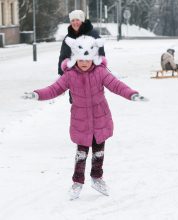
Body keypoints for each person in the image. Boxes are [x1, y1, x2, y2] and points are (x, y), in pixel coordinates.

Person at [22, 35, 147, 200]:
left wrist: (132, 94)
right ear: (75, 58)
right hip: (81, 122)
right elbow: (54, 89)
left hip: (100, 120)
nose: (84, 63)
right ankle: (77, 182)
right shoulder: (70, 75)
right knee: (81, 154)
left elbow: (117, 85)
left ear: (93, 58)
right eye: (80, 59)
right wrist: (36, 95)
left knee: (99, 153)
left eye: (87, 59)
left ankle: (97, 178)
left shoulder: (101, 72)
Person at [58, 9, 105, 76]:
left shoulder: (93, 35)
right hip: (72, 75)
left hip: (91, 75)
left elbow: (101, 55)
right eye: (72, 20)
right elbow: (63, 56)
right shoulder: (68, 38)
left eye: (77, 20)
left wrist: (100, 73)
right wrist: (61, 72)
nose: (75, 23)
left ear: (82, 21)